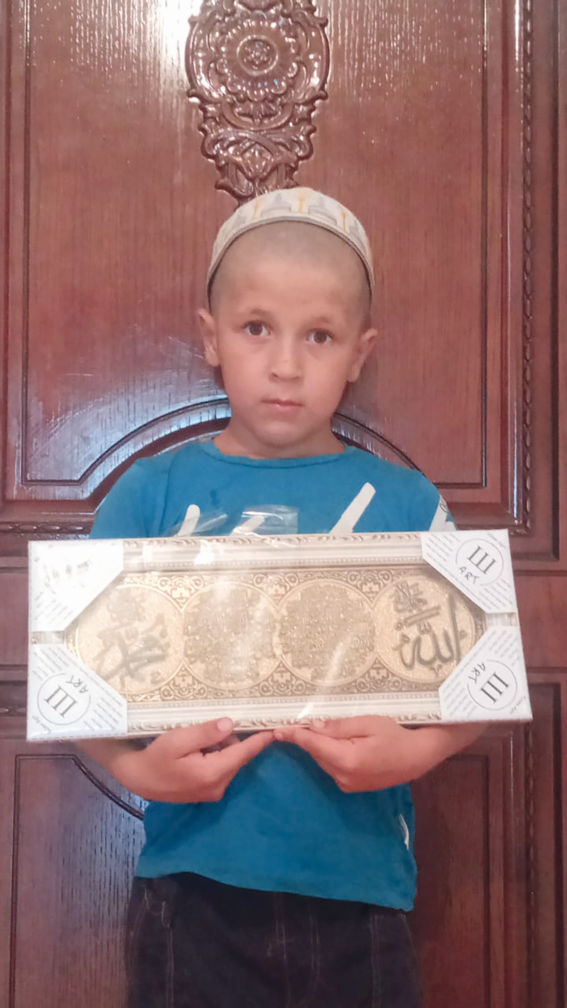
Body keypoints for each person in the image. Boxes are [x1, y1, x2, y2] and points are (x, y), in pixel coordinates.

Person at [81, 187, 485, 1007]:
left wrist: (413, 754)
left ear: (359, 354)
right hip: (191, 895)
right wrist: (136, 769)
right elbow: (74, 685)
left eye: (319, 336)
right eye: (257, 328)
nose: (287, 365)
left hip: (359, 898)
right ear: (211, 338)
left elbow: (484, 684)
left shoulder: (407, 504)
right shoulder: (150, 494)